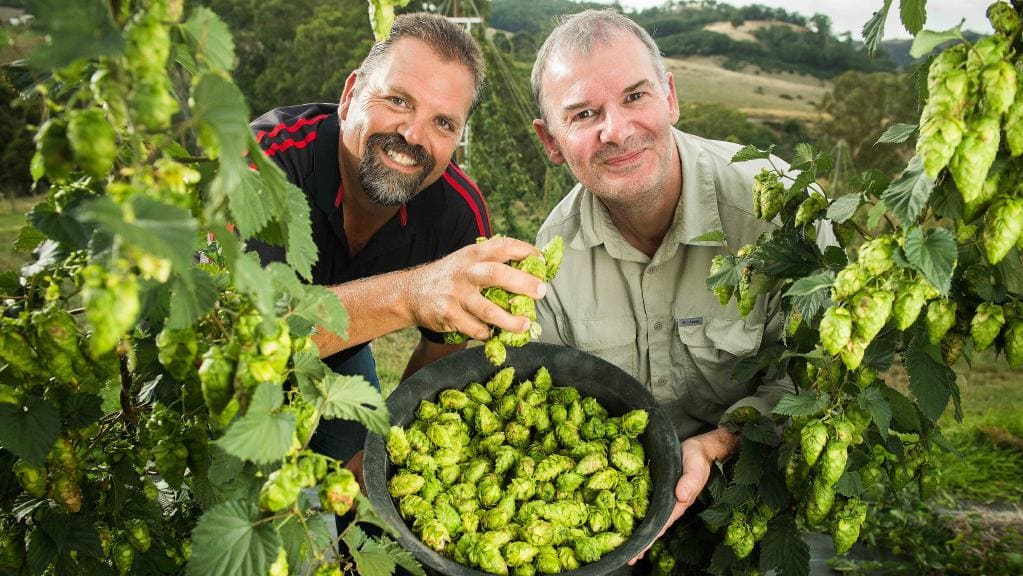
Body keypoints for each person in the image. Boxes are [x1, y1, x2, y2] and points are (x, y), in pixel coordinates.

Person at [529, 9, 794, 563]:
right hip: (616, 515)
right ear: (551, 142)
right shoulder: (552, 259)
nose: (617, 131)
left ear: (670, 96)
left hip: (755, 492)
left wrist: (721, 446)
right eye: (583, 114)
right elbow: (553, 415)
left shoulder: (777, 212)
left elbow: (815, 380)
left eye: (634, 97)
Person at [248, 13, 545, 476]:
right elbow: (243, 343)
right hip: (218, 375)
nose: (412, 136)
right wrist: (411, 294)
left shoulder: (460, 215)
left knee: (350, 457)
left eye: (443, 122)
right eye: (398, 100)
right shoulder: (262, 163)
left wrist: (379, 457)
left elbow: (438, 355)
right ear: (350, 96)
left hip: (346, 355)